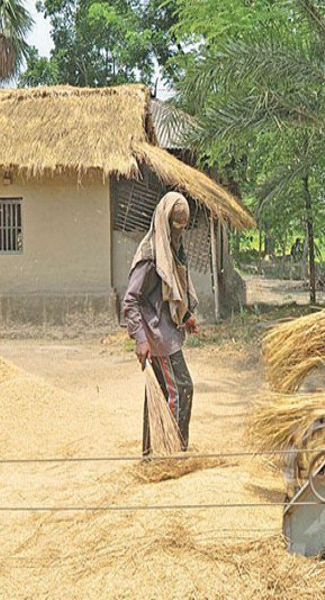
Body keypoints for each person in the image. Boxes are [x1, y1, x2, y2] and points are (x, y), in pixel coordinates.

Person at [122, 192, 199, 455]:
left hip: (168, 331)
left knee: (163, 392)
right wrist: (141, 340)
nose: (179, 231)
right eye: (175, 225)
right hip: (157, 336)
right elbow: (130, 300)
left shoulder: (171, 250)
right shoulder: (151, 254)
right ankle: (172, 452)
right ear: (165, 220)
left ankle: (153, 451)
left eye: (183, 226)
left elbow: (170, 290)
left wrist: (185, 316)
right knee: (180, 389)